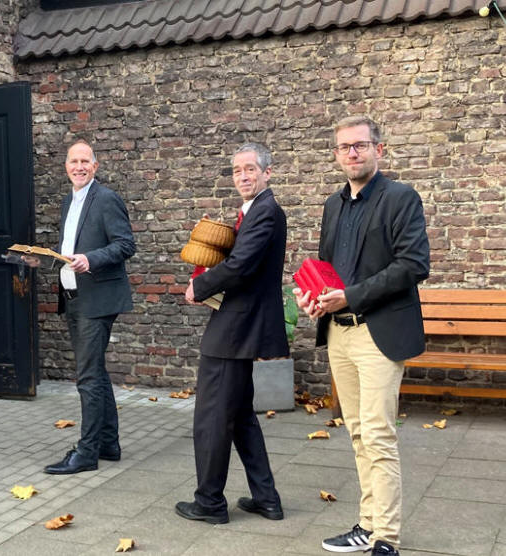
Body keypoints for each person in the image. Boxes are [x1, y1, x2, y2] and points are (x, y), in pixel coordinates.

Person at [294, 116, 429, 556]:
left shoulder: (401, 198)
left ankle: (385, 538)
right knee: (356, 434)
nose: (352, 153)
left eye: (360, 145)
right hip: (340, 334)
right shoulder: (333, 205)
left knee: (377, 435)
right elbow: (327, 269)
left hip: (378, 333)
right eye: (344, 147)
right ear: (336, 154)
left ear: (379, 149)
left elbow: (413, 265)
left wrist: (349, 296)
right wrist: (314, 298)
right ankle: (368, 524)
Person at [175, 143, 287, 525]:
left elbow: (240, 266)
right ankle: (266, 499)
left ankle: (209, 502)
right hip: (240, 325)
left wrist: (200, 285)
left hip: (235, 330)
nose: (242, 176)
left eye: (250, 169)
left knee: (211, 418)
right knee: (240, 417)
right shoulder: (255, 210)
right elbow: (240, 260)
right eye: (237, 170)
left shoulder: (266, 210)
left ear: (267, 172)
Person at [39, 140, 136, 474]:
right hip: (73, 298)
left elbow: (126, 244)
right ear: (66, 167)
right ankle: (108, 444)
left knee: (88, 377)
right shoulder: (69, 200)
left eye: (85, 162)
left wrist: (90, 259)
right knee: (95, 372)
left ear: (95, 166)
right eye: (73, 162)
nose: (79, 167)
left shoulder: (106, 198)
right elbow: (69, 249)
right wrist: (42, 259)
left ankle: (87, 452)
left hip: (98, 300)